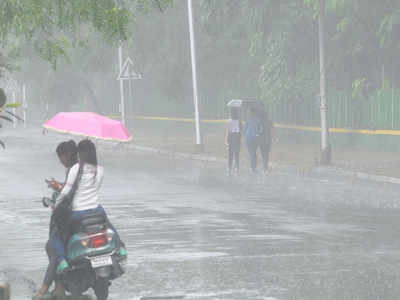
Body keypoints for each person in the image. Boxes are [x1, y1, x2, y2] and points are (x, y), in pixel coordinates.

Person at [51, 139, 125, 272]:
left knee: (57, 233)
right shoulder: (100, 170)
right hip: (97, 210)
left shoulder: (75, 169)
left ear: (80, 154)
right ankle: (120, 247)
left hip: (78, 213)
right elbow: (95, 188)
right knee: (107, 224)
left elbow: (65, 193)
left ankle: (62, 260)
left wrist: (56, 206)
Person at [33, 140, 78, 300]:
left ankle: (43, 291)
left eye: (60, 157)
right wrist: (59, 185)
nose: (60, 160)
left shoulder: (75, 169)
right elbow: (71, 187)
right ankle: (59, 287)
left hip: (69, 216)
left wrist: (58, 188)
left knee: (53, 248)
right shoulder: (80, 169)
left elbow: (71, 192)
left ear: (66, 155)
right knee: (59, 251)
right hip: (80, 213)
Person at [244, 107, 265, 173]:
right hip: (255, 138)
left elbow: (245, 129)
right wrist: (258, 134)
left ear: (251, 113)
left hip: (248, 138)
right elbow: (261, 130)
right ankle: (254, 167)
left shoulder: (248, 120)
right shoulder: (259, 120)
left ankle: (253, 168)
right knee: (253, 153)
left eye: (249, 112)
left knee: (252, 153)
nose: (248, 113)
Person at [224, 107, 242, 173]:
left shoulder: (229, 121)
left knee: (230, 153)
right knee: (237, 153)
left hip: (231, 137)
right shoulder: (239, 120)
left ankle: (229, 167)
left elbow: (227, 131)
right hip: (237, 137)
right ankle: (237, 167)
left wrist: (226, 140)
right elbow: (241, 129)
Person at [259, 108, 274, 173]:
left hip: (261, 140)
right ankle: (265, 168)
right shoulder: (270, 122)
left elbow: (258, 131)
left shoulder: (260, 122)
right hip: (268, 140)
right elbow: (273, 131)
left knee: (263, 154)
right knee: (267, 154)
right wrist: (274, 138)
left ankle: (264, 167)